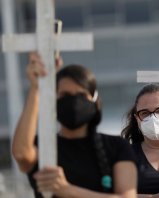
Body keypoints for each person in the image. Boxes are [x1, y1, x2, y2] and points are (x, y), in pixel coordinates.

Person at [12, 53, 137, 198]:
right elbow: (21, 154)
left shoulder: (116, 146)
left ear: (95, 101)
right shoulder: (43, 147)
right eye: (65, 95)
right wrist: (36, 87)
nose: (74, 102)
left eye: (81, 95)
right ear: (54, 101)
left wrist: (66, 190)